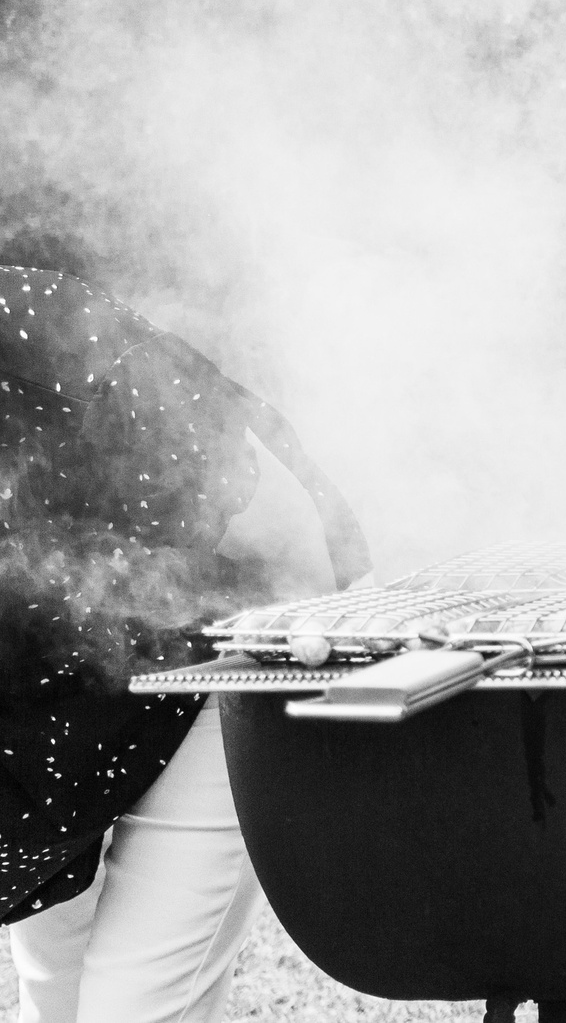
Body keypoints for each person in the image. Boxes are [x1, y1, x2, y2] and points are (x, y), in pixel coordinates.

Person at [0, 267, 368, 1023]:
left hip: (203, 674)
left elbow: (245, 483)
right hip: (40, 766)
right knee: (54, 1005)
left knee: (131, 1008)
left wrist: (324, 596)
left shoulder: (35, 326)